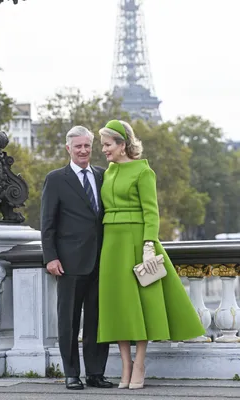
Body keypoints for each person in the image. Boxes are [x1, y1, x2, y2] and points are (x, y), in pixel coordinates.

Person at [97, 120, 205, 390]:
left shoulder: (144, 171)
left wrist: (148, 245)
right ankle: (124, 365)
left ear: (123, 145)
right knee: (117, 306)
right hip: (111, 243)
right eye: (103, 145)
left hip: (136, 242)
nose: (104, 150)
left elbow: (151, 212)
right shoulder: (107, 173)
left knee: (141, 304)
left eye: (107, 145)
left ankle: (139, 364)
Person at [41, 126, 113, 390]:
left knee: (97, 319)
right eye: (78, 146)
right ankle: (71, 373)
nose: (83, 151)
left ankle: (96, 373)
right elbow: (47, 222)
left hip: (102, 260)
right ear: (68, 149)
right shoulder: (56, 179)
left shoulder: (104, 176)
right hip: (69, 263)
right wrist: (51, 257)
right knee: (69, 321)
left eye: (87, 146)